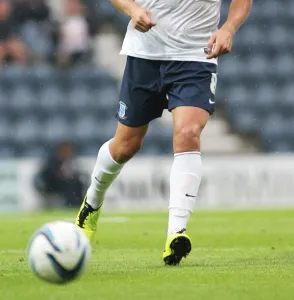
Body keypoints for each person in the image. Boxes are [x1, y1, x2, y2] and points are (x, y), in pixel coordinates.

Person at [75, 0, 252, 265]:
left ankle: (176, 234)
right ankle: (91, 204)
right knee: (125, 146)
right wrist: (133, 10)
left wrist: (229, 27)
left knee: (188, 132)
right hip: (145, 54)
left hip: (195, 57)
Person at [34, 142, 85, 209]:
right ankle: (71, 205)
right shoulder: (52, 162)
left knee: (76, 184)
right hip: (53, 187)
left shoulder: (69, 161)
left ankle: (76, 205)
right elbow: (49, 176)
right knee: (71, 186)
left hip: (64, 188)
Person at [0, 0, 27, 66]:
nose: (6, 8)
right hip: (3, 46)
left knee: (19, 48)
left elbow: (14, 36)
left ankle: (21, 72)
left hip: (8, 44)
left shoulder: (11, 21)